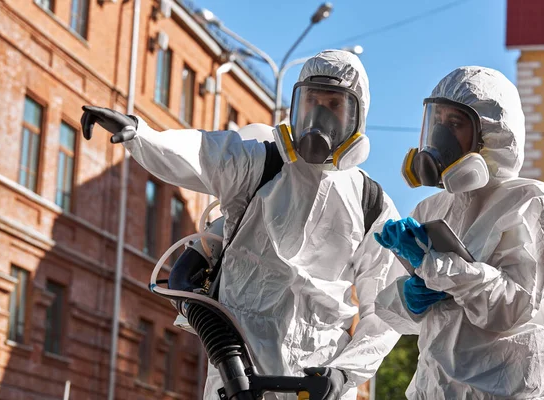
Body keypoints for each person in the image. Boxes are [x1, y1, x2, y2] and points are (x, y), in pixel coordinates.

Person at [80, 49, 405, 400]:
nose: (320, 116)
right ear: (297, 106)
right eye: (312, 102)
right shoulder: (259, 161)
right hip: (237, 370)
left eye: (334, 105)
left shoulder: (370, 202)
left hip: (319, 378)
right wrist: (141, 134)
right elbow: (201, 151)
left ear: (356, 116)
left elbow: (387, 308)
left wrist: (345, 372)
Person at [373, 66, 544, 399]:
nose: (439, 137)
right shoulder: (431, 210)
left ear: (493, 135)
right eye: (436, 122)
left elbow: (514, 309)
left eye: (454, 124)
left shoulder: (537, 204)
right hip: (434, 390)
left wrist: (438, 268)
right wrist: (409, 297)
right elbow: (404, 320)